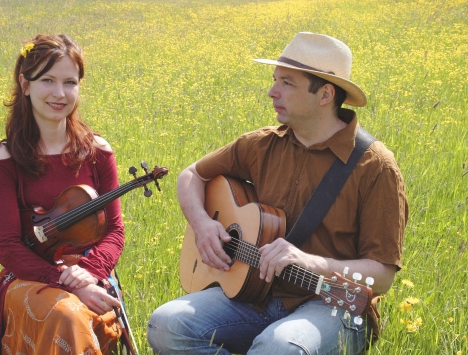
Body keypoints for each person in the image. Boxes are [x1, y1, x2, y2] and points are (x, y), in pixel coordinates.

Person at [147, 32, 408, 354]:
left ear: (325, 94)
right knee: (166, 324)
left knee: (280, 346)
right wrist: (203, 225)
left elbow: (381, 277)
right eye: (275, 80)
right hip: (257, 294)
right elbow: (192, 175)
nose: (272, 92)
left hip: (334, 303)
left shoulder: (375, 166)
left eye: (287, 83)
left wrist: (313, 262)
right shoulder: (260, 145)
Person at [0, 34, 126, 355]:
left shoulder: (98, 151)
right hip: (30, 275)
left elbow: (114, 230)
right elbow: (8, 246)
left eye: (70, 82)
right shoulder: (5, 159)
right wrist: (66, 283)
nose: (59, 93)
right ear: (25, 85)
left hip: (88, 269)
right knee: (66, 314)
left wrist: (90, 274)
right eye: (47, 80)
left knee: (71, 313)